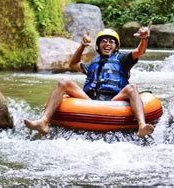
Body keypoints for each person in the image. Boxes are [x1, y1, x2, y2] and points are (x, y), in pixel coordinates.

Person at [24, 24, 154, 138]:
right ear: (98, 45)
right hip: (90, 100)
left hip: (114, 100)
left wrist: (144, 38)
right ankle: (44, 122)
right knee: (63, 81)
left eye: (111, 42)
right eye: (104, 41)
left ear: (116, 47)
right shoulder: (94, 63)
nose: (107, 43)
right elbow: (73, 64)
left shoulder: (123, 59)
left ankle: (141, 125)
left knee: (132, 87)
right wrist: (82, 46)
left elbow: (139, 51)